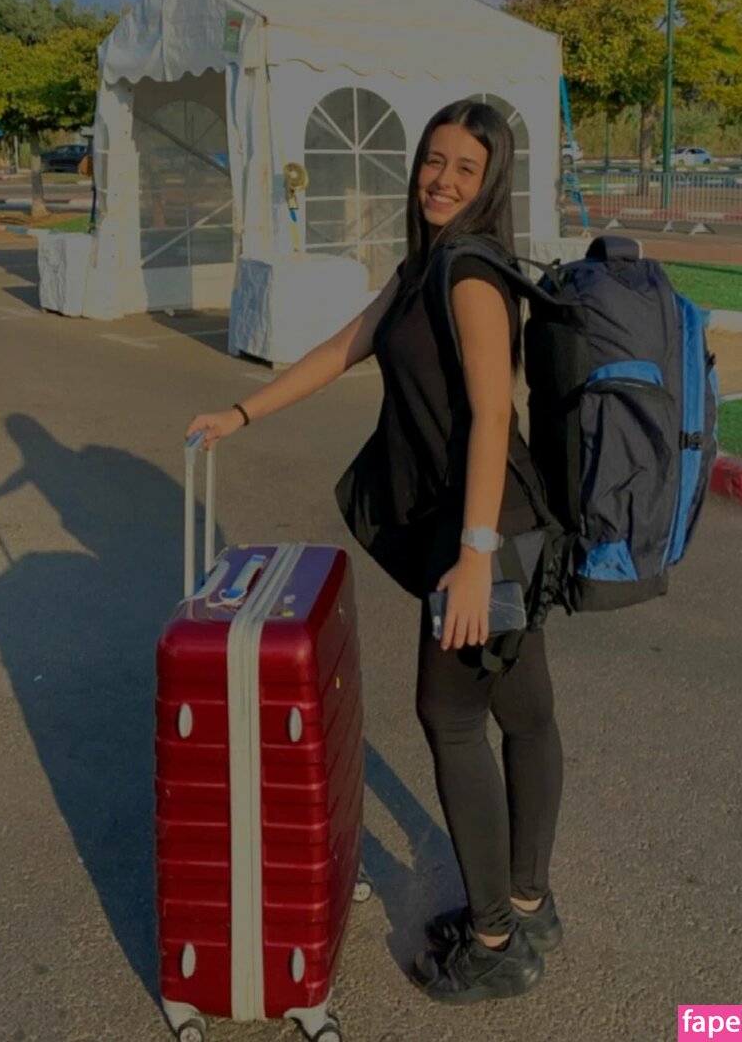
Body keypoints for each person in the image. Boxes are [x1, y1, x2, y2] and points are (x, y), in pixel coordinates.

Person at [186, 100, 564, 1005]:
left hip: (486, 534)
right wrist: (240, 414)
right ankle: (527, 902)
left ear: (491, 182)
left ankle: (495, 941)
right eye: (434, 159)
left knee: (453, 719)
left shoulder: (470, 275)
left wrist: (473, 556)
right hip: (498, 529)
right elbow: (342, 348)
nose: (441, 179)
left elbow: (492, 415)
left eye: (465, 168)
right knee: (524, 715)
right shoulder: (425, 266)